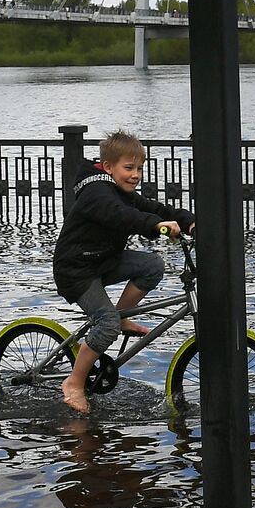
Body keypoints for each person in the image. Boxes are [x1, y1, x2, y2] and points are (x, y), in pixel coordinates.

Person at [52, 130, 195, 413]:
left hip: (103, 261)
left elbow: (155, 207)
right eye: (128, 168)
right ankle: (74, 382)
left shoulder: (122, 191)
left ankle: (123, 316)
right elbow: (120, 215)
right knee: (106, 325)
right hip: (77, 270)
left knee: (152, 266)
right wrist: (155, 226)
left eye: (139, 168)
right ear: (108, 167)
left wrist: (190, 223)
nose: (135, 175)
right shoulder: (96, 193)